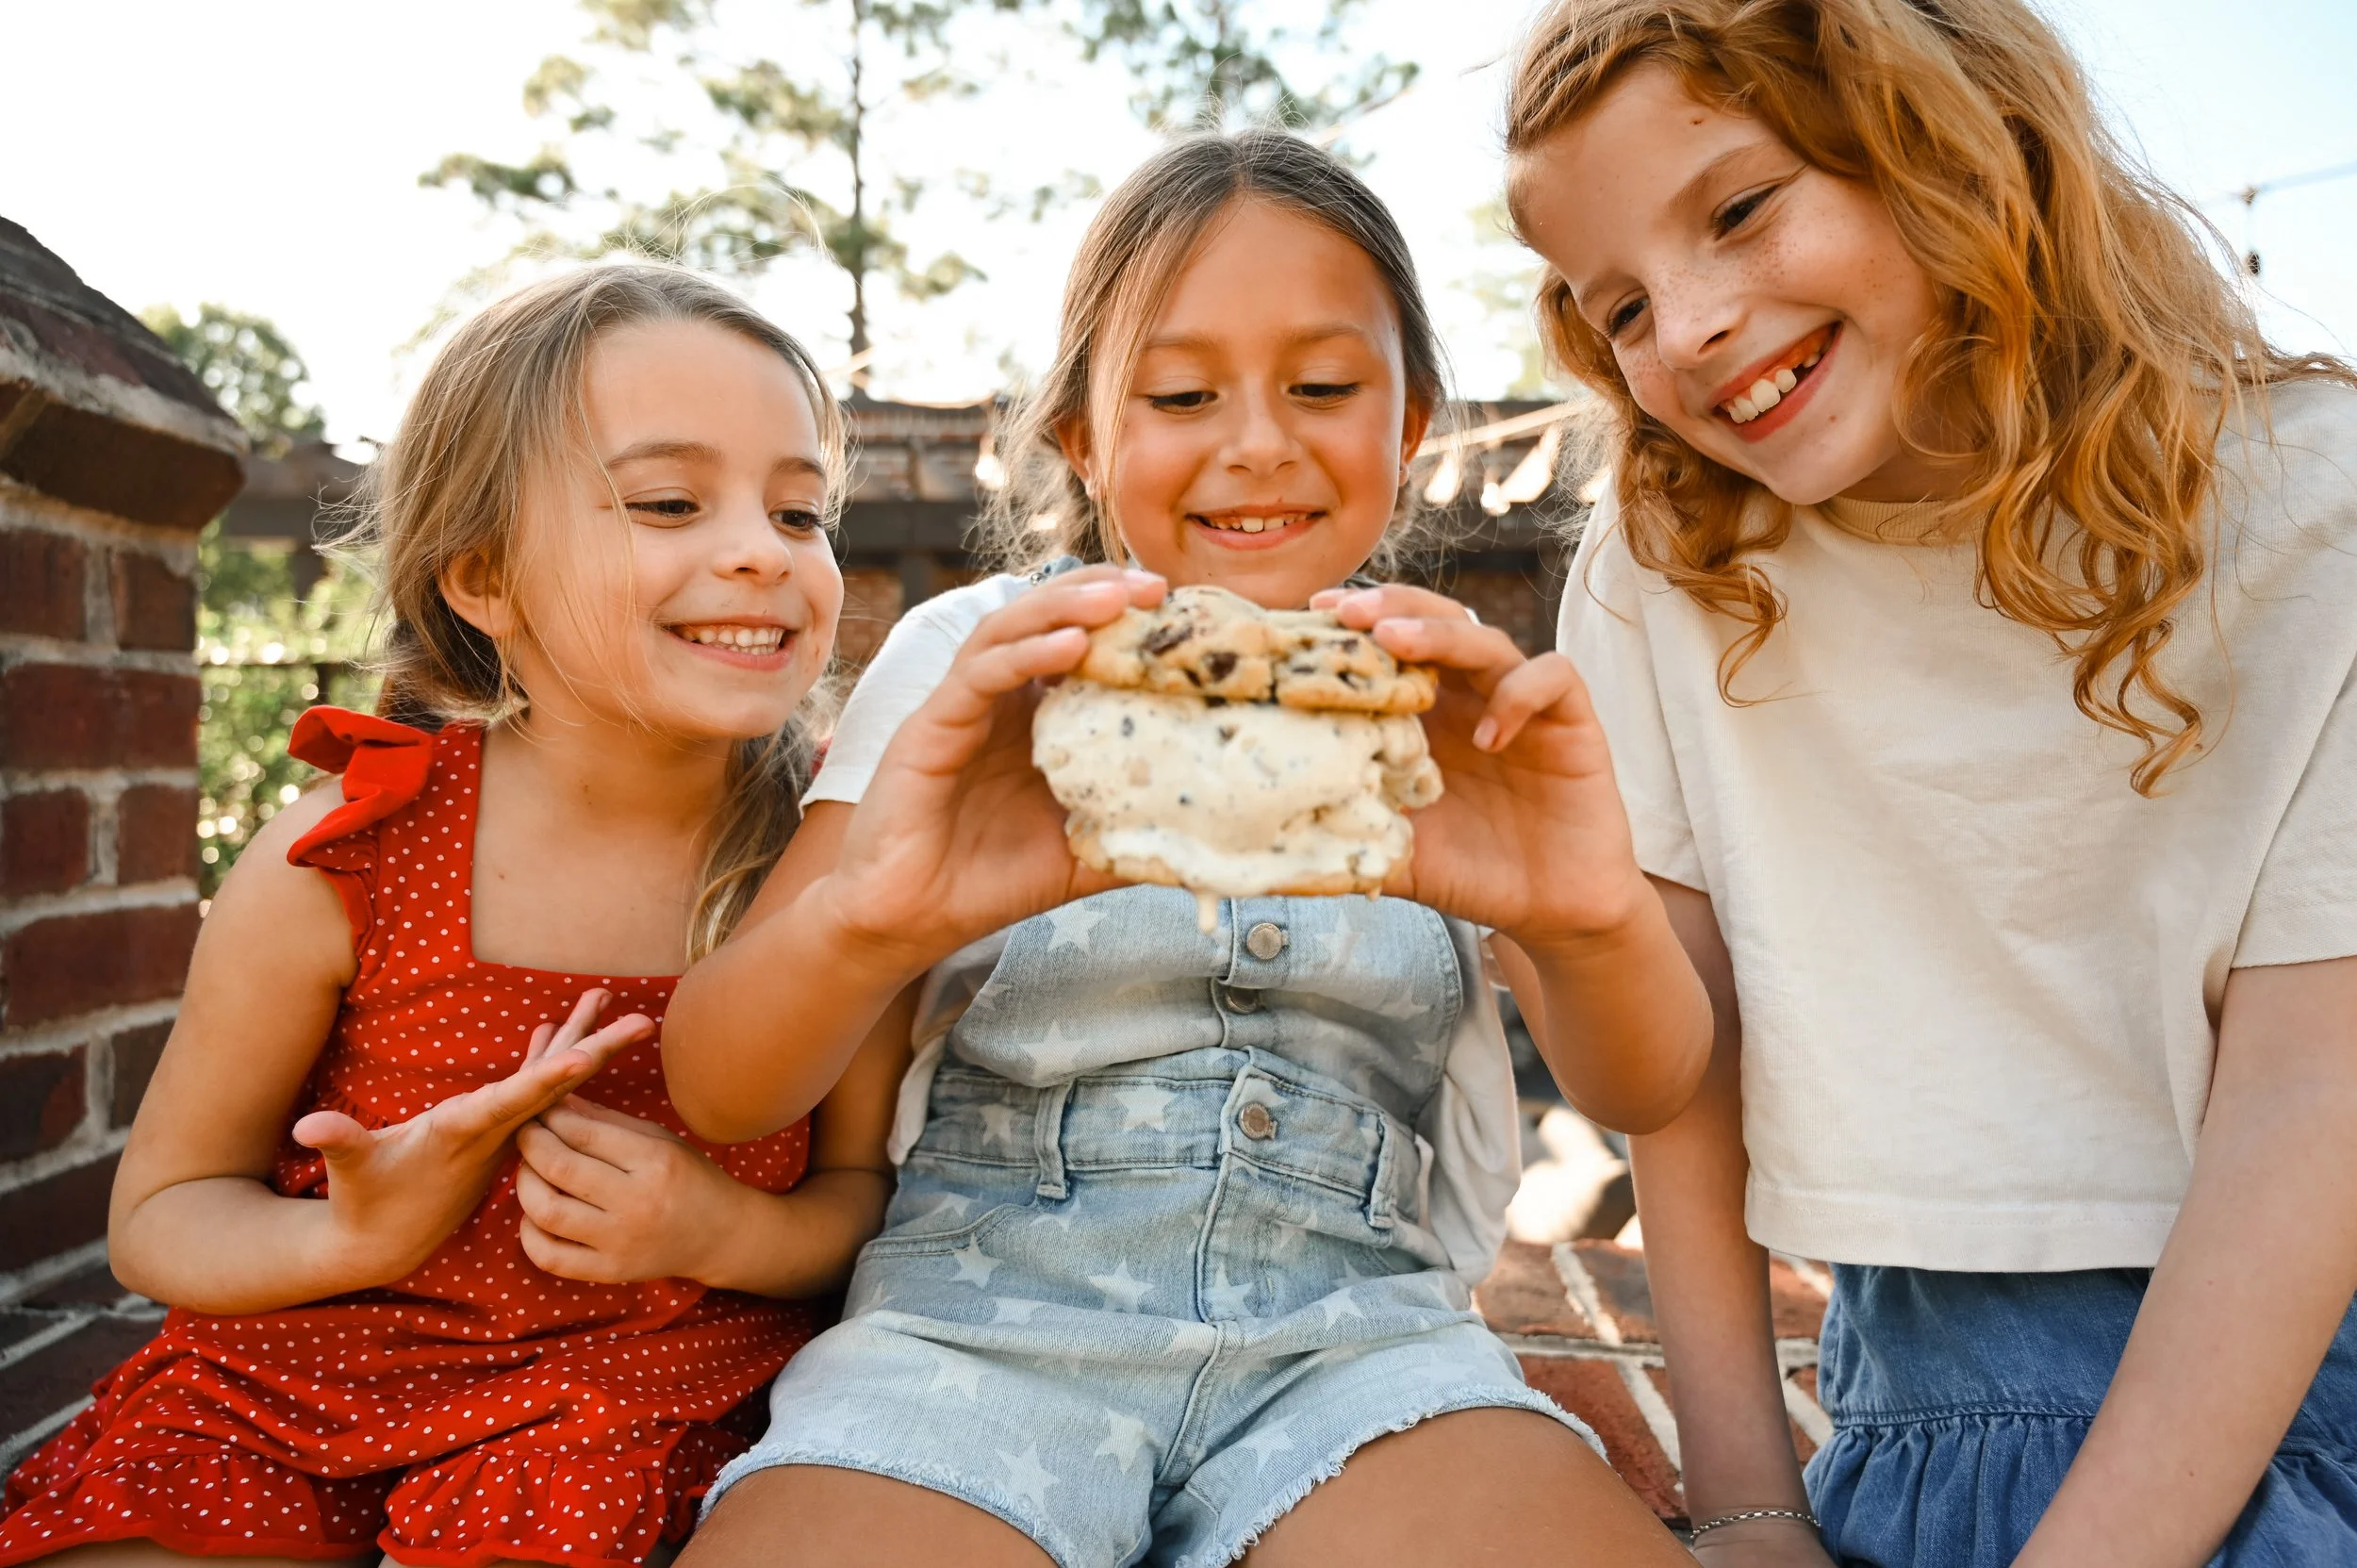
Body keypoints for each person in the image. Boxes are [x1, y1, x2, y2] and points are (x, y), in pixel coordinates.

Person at [658, 129, 1708, 1568]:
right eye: (1181, 392)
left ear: (1410, 425)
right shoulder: (976, 661)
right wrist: (870, 925)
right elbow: (719, 1081)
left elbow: (1646, 1078)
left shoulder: (1448, 704)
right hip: (970, 1338)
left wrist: (1589, 923)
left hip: (1363, 1357)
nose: (1260, 438)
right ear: (1086, 434)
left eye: (1325, 387)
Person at [1503, 1, 2357, 1563]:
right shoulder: (1669, 568)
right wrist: (1754, 1508)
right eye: (1616, 304)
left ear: (1947, 139)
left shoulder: (2324, 507)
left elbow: (2319, 1091)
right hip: (1959, 1392)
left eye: (1744, 210)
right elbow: (1683, 1085)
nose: (1684, 329)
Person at [0, 265, 906, 1568]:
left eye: (803, 508)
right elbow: (162, 1213)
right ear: (484, 576)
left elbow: (860, 1193)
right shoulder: (344, 857)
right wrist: (353, 1228)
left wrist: (722, 1229)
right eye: (668, 501)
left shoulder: (833, 858)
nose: (767, 548)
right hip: (294, 1381)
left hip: (625, 1405)